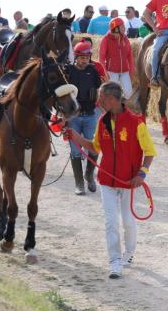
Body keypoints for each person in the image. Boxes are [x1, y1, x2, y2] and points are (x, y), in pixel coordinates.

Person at [64, 81, 156, 279]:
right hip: (107, 181)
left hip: (128, 182)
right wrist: (74, 136)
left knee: (128, 222)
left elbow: (150, 152)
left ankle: (129, 254)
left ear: (112, 99)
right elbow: (95, 147)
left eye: (101, 98)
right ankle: (114, 262)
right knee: (111, 222)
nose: (98, 102)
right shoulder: (103, 121)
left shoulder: (136, 123)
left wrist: (141, 174)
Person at [62, 41, 103, 195]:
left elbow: (99, 90)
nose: (85, 60)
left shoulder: (93, 71)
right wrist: (63, 116)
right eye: (82, 57)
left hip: (91, 115)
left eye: (87, 57)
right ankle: (79, 184)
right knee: (75, 150)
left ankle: (89, 176)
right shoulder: (68, 71)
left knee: (94, 146)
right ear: (76, 57)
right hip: (73, 117)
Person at [99, 18, 137, 99]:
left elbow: (129, 56)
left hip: (124, 71)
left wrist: (131, 70)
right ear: (116, 28)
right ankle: (114, 109)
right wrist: (105, 72)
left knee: (128, 93)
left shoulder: (125, 38)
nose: (124, 28)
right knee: (112, 94)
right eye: (122, 26)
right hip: (111, 72)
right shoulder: (105, 39)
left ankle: (120, 104)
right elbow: (101, 58)